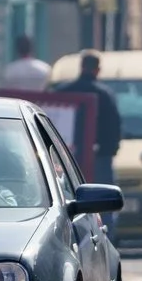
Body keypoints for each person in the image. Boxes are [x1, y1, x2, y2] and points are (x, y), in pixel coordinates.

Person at [54, 53, 126, 184]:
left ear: (81, 67)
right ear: (98, 70)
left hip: (65, 155)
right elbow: (114, 126)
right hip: (99, 156)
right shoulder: (104, 95)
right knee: (102, 197)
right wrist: (109, 150)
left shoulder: (63, 92)